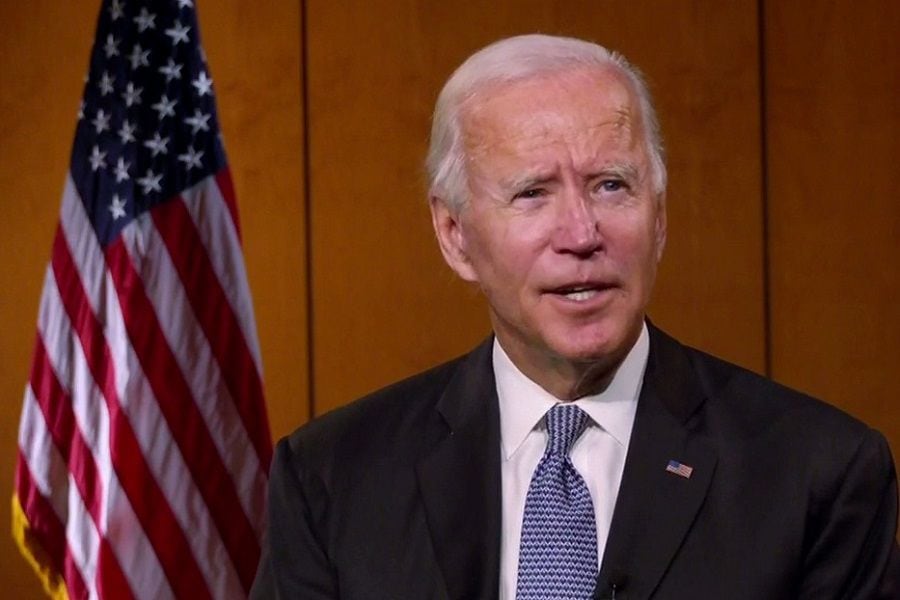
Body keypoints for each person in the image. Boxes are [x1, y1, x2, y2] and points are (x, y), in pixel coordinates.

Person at [250, 34, 899, 599]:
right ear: (455, 236)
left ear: (661, 216)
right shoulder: (332, 479)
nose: (582, 232)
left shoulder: (818, 473)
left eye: (611, 185)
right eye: (533, 193)